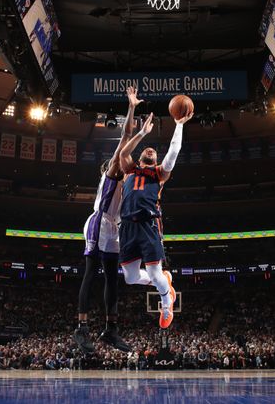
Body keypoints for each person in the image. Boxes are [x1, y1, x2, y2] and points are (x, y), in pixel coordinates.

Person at [74, 87, 142, 354]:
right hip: (98, 223)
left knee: (113, 279)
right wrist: (132, 108)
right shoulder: (112, 172)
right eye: (123, 161)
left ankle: (110, 330)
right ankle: (81, 328)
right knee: (92, 273)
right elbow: (124, 139)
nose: (127, 164)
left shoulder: (127, 185)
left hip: (113, 228)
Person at [117, 105, 194, 329]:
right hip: (127, 227)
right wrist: (142, 133)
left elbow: (173, 153)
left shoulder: (159, 173)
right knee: (130, 278)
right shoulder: (129, 169)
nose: (151, 151)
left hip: (148, 224)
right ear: (141, 157)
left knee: (153, 271)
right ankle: (164, 281)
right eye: (147, 150)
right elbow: (122, 153)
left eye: (154, 152)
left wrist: (178, 125)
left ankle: (167, 303)